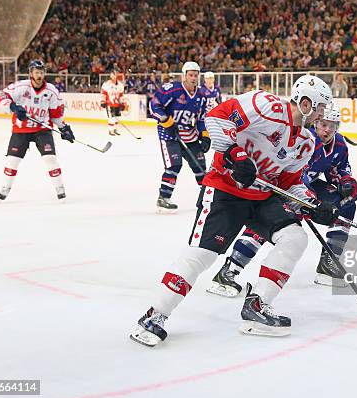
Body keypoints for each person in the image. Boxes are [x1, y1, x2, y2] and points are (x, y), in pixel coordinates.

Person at [130, 75, 336, 346]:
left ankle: (257, 307)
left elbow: (289, 184)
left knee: (295, 237)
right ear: (306, 102)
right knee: (201, 256)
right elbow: (217, 117)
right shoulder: (267, 105)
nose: (323, 114)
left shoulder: (306, 143)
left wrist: (313, 204)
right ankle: (155, 315)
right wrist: (234, 154)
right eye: (320, 107)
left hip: (262, 196)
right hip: (225, 190)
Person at [207, 104, 357, 296]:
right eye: (323, 124)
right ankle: (229, 270)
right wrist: (309, 204)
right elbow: (290, 177)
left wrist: (347, 183)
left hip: (306, 186)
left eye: (332, 126)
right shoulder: (304, 140)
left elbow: (340, 168)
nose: (327, 130)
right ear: (315, 122)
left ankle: (329, 263)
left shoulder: (339, 144)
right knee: (276, 220)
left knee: (346, 205)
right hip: (284, 186)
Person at [0, 60, 75, 201]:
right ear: (31, 73)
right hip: (21, 129)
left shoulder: (51, 91)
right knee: (12, 161)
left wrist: (63, 127)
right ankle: (5, 188)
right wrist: (13, 107)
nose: (39, 75)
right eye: (37, 72)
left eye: (41, 72)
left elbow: (56, 113)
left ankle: (60, 189)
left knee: (50, 158)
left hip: (42, 129)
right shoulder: (21, 86)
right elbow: (2, 97)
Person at [149, 61, 210, 211]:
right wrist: (167, 121)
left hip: (190, 136)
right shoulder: (171, 90)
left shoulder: (201, 95)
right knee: (174, 165)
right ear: (184, 76)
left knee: (201, 168)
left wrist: (205, 134)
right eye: (190, 75)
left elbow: (202, 117)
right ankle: (163, 197)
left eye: (196, 75)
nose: (193, 78)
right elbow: (154, 106)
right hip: (170, 135)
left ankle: (208, 199)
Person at [100, 70, 126, 136]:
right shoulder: (106, 84)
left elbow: (121, 95)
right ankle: (111, 130)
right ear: (110, 75)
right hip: (109, 103)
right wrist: (103, 101)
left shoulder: (120, 85)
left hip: (117, 103)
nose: (113, 76)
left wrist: (122, 103)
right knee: (111, 117)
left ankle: (115, 129)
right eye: (112, 74)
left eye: (114, 74)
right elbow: (103, 93)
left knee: (117, 117)